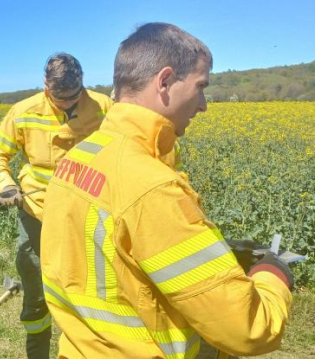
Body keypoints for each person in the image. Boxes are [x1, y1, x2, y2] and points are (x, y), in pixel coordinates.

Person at [39, 22, 293, 358]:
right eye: (200, 86)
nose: (203, 104)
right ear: (165, 81)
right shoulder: (151, 187)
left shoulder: (77, 158)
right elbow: (249, 330)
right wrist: (273, 274)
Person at [0, 53, 112, 358]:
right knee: (37, 291)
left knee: (89, 292)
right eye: (60, 98)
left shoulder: (103, 107)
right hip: (36, 215)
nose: (68, 104)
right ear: (45, 85)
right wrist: (7, 186)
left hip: (88, 215)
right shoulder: (23, 111)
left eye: (73, 97)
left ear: (82, 83)